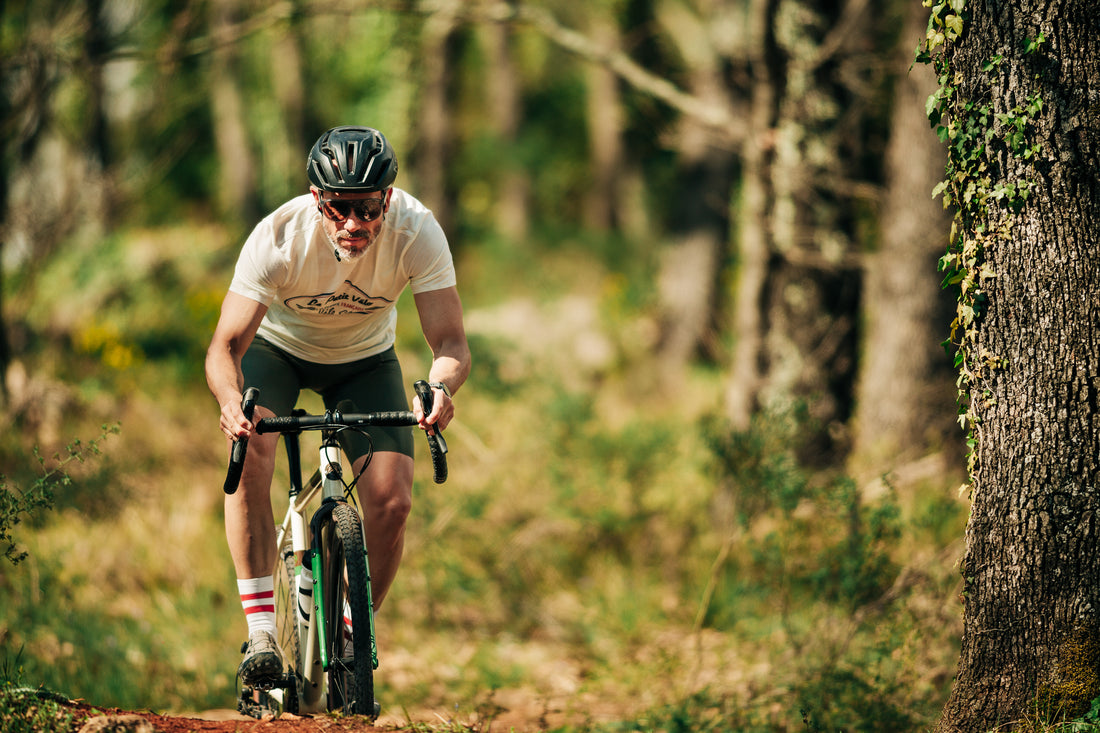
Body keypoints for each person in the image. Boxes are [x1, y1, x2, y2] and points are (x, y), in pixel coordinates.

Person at [205, 125, 470, 686]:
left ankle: (352, 633)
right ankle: (261, 632)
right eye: (339, 207)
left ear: (387, 199)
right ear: (316, 198)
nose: (354, 223)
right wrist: (231, 402)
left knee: (393, 501)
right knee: (250, 451)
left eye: (368, 208)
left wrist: (441, 388)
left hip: (365, 361)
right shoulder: (279, 237)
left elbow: (451, 344)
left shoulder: (417, 231)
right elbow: (225, 347)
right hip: (278, 353)